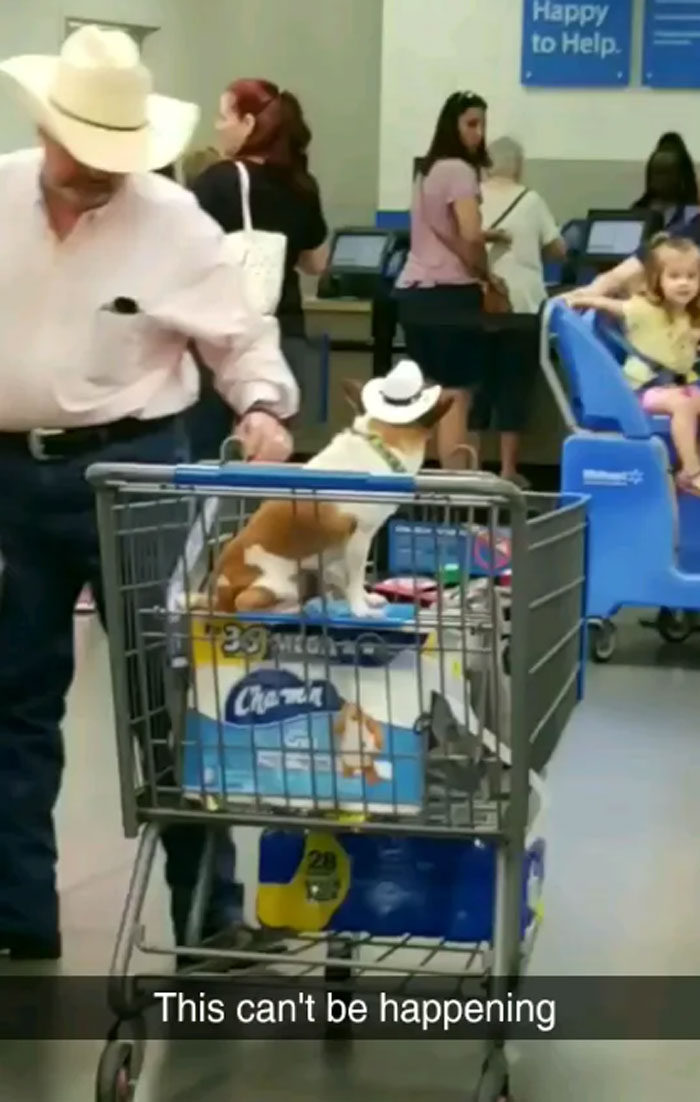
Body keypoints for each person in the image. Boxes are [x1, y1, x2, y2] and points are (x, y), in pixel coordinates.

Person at [0, 25, 298, 960]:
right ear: (47, 131)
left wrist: (262, 409)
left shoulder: (175, 222)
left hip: (138, 476)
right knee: (11, 699)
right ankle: (16, 916)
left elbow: (242, 339)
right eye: (81, 153)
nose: (95, 173)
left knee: (176, 699)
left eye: (112, 160)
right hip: (10, 477)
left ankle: (210, 921)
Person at [189, 78, 329, 459]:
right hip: (286, 334)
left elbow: (183, 255)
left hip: (223, 341)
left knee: (211, 456)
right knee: (266, 458)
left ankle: (212, 522)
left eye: (223, 116)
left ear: (249, 124)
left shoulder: (217, 181)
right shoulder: (303, 185)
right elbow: (317, 263)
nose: (218, 127)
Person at [394, 91, 494, 469]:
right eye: (471, 123)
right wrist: (486, 271)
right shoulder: (460, 171)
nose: (479, 133)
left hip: (414, 292)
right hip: (451, 293)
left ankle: (430, 481)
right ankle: (458, 487)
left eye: (482, 124)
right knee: (456, 395)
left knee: (431, 392)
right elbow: (469, 233)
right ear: (452, 126)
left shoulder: (427, 170)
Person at [572, 235, 700, 496]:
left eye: (691, 276)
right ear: (657, 280)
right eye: (674, 276)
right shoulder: (644, 309)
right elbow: (612, 306)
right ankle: (691, 472)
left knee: (685, 400)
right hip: (644, 391)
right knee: (682, 405)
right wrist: (581, 299)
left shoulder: (691, 315)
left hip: (680, 387)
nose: (684, 283)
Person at [474, 136, 566, 484]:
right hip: (522, 306)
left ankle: (470, 468)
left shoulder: (472, 198)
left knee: (478, 386)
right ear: (520, 166)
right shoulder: (532, 200)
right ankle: (509, 470)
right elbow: (558, 249)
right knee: (514, 386)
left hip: (477, 302)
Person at [632, 137, 699, 226]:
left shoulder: (693, 215)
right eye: (657, 173)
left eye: (667, 173)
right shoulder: (636, 213)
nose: (661, 180)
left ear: (682, 178)